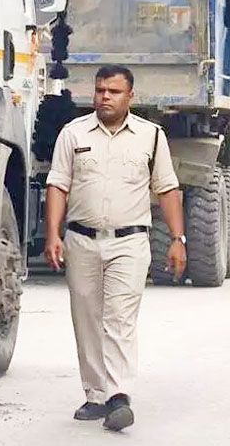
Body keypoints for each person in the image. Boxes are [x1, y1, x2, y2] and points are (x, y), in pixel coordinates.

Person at [44, 65, 186, 432]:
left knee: (119, 318)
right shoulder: (72, 134)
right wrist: (53, 234)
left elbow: (167, 189)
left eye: (113, 91)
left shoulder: (151, 136)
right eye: (100, 90)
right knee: (87, 317)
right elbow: (58, 184)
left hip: (130, 241)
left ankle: (119, 395)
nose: (105, 97)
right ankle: (95, 395)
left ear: (130, 97)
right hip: (81, 239)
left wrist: (177, 239)